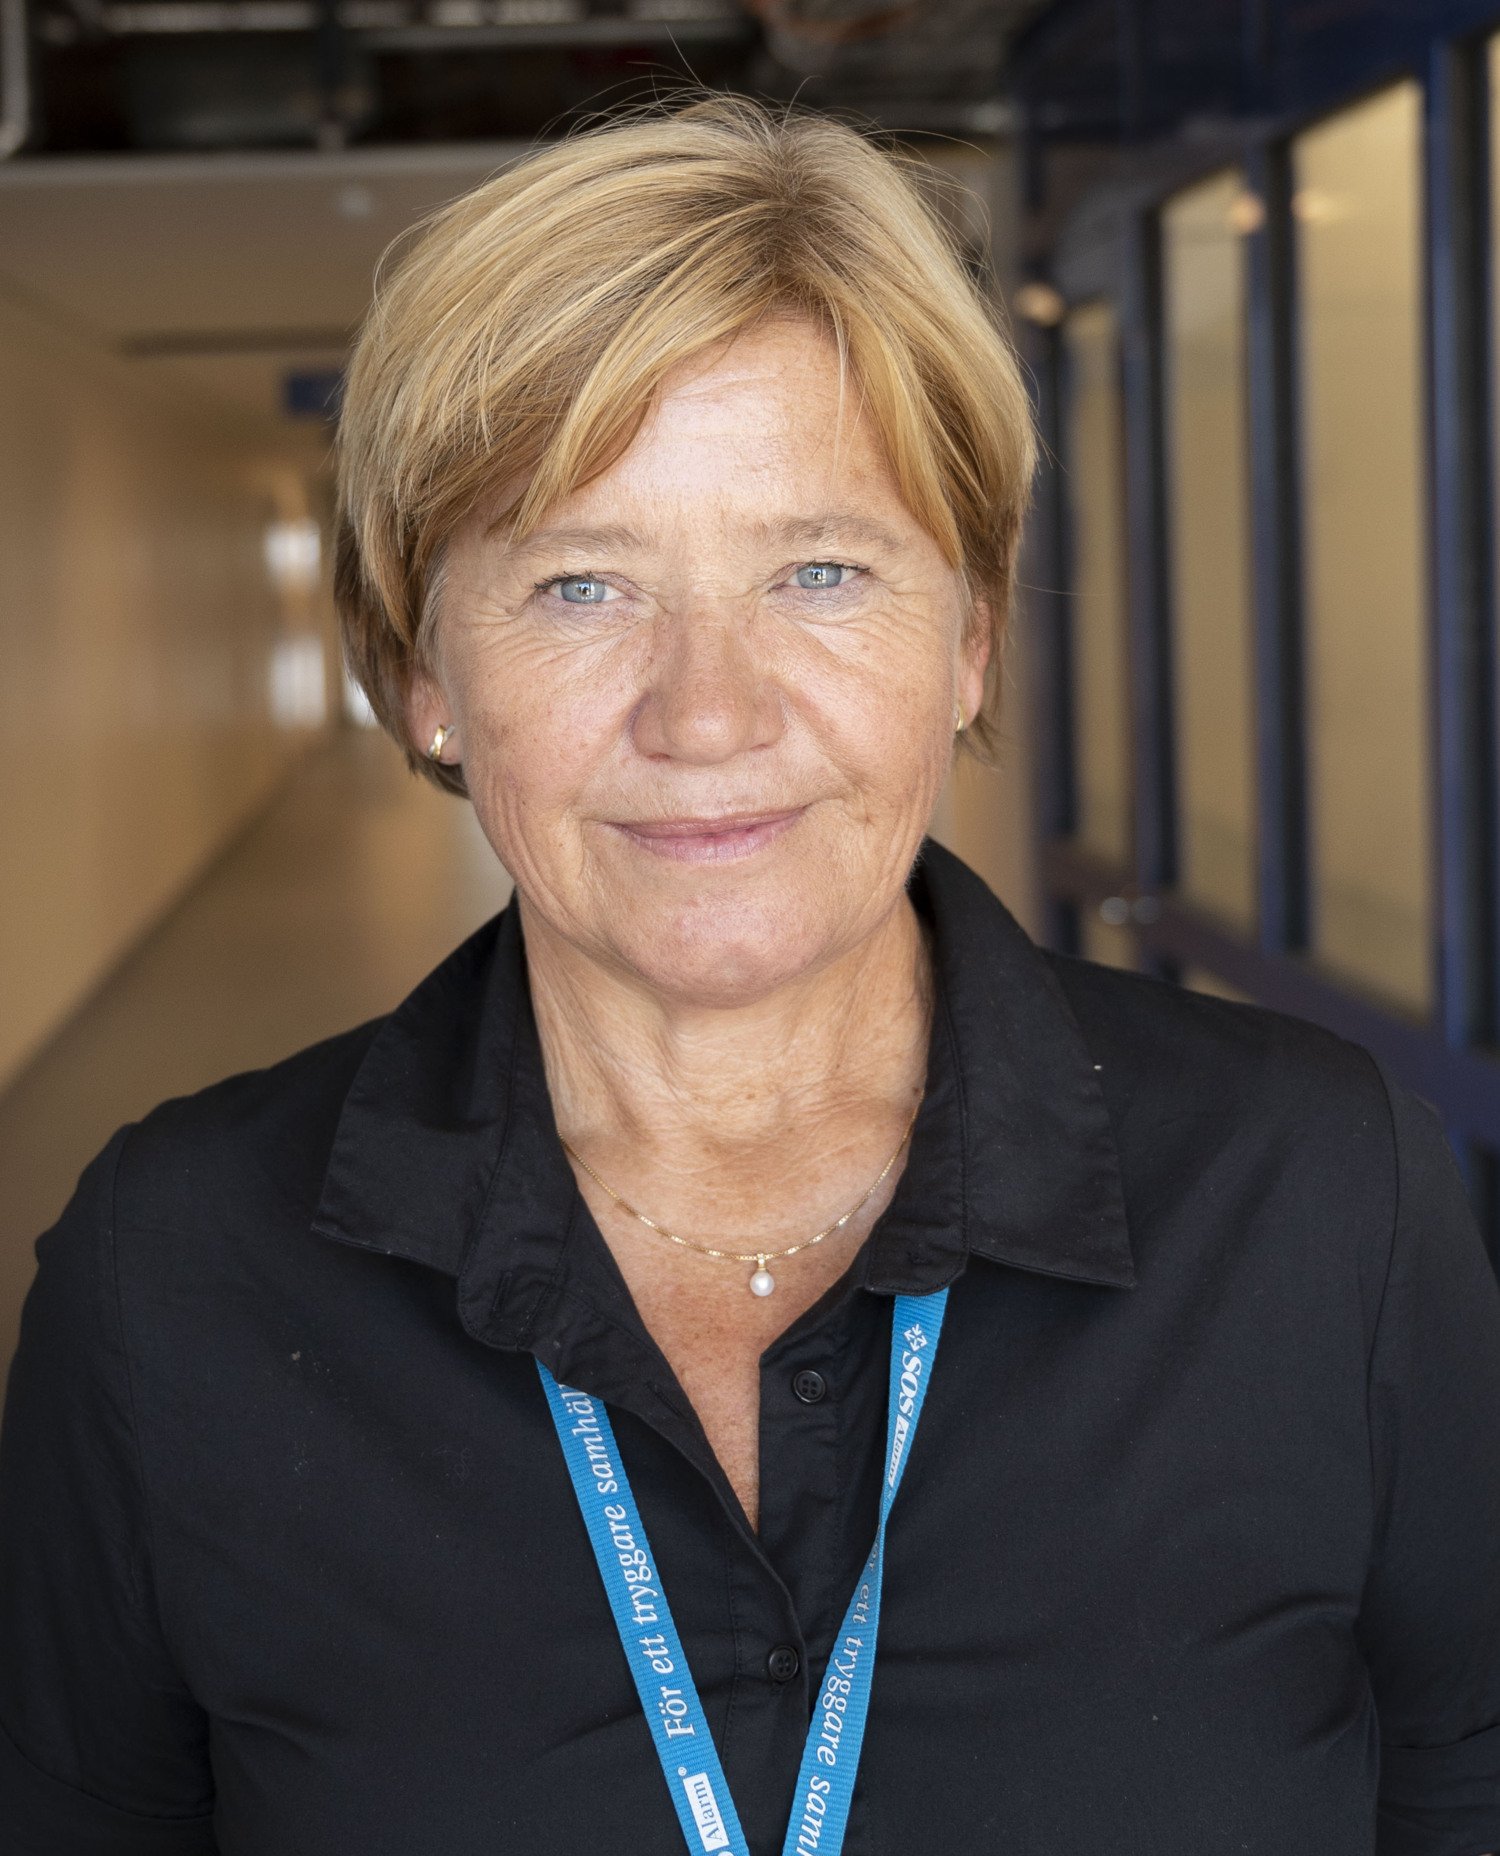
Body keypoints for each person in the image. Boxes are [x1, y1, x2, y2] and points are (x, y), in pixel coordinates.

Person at [2, 90, 1498, 1856]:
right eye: (579, 586)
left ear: (969, 636)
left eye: (818, 568)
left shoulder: (1324, 1199)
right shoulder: (173, 1275)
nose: (707, 711)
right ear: (418, 673)